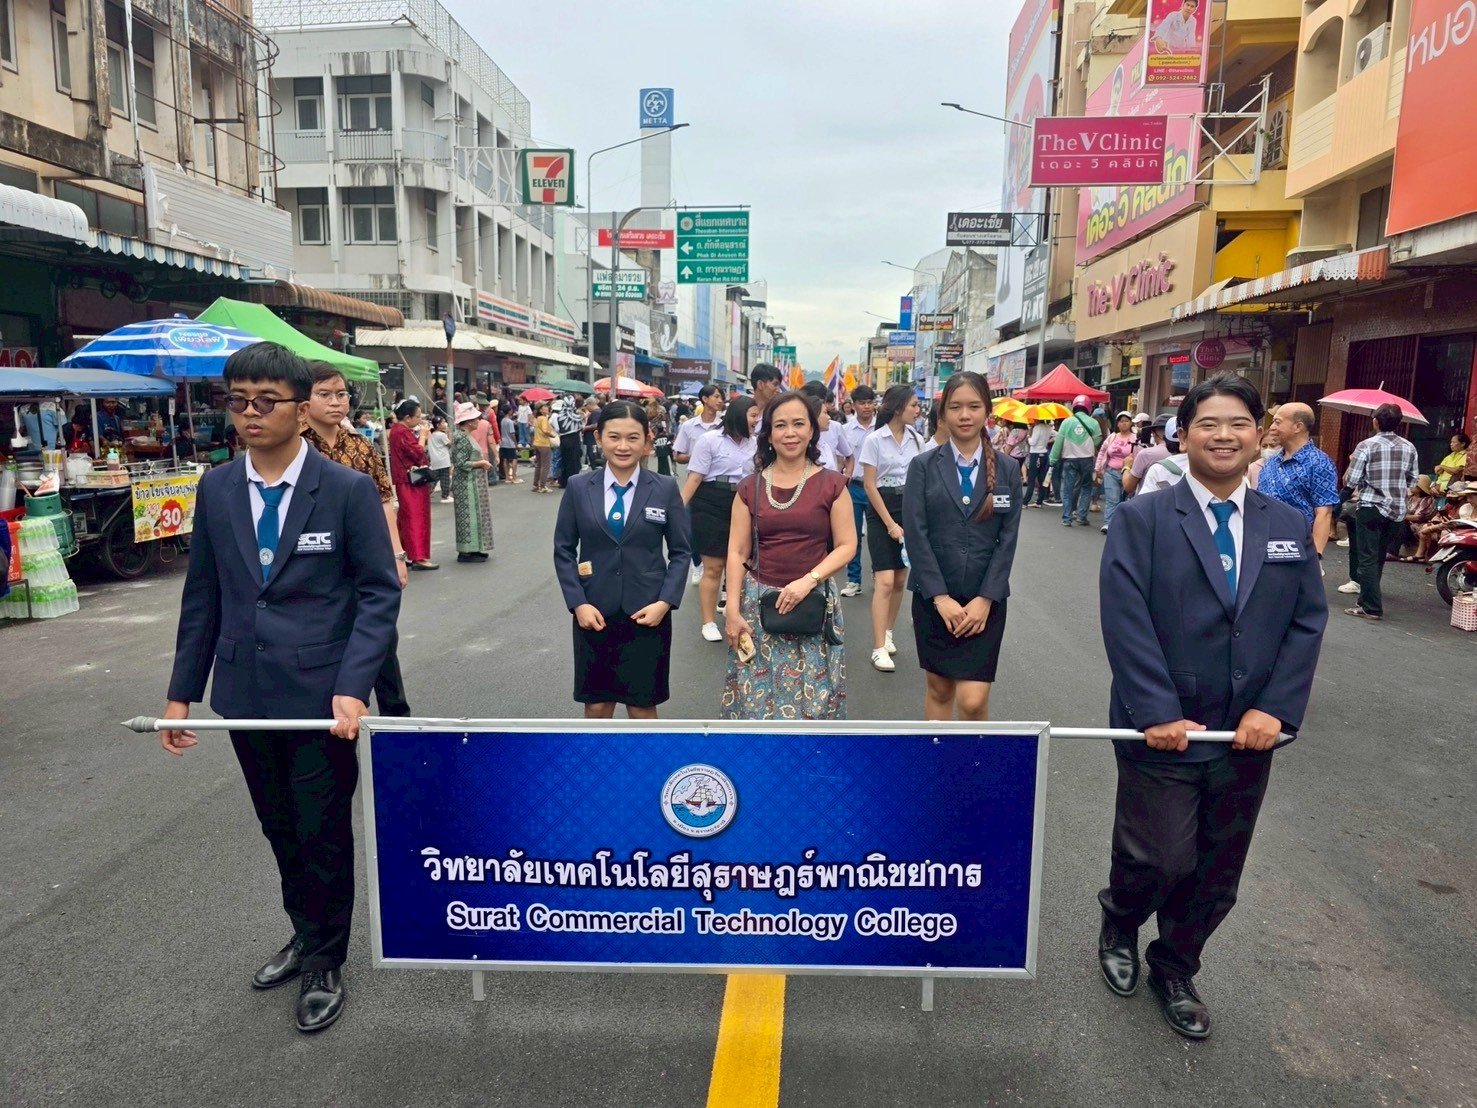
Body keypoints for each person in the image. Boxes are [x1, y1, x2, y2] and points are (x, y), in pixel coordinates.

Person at [159, 342, 401, 1034]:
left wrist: (354, 686)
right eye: (237, 400)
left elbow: (378, 595)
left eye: (266, 400)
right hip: (245, 696)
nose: (249, 413)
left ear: (301, 409)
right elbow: (203, 595)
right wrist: (182, 693)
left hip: (324, 701)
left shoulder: (346, 490)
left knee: (321, 829)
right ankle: (304, 931)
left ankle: (325, 959)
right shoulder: (217, 487)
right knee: (278, 826)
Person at [1097, 372, 1327, 1041]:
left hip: (1245, 734)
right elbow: (1124, 618)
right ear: (1182, 435)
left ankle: (1175, 965)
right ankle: (1119, 918)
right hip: (1162, 729)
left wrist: (1275, 711)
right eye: (1207, 424)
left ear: (1259, 435)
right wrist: (1154, 711)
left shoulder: (1284, 526)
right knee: (1160, 857)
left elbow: (1305, 623)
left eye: (1237, 424)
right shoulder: (1141, 519)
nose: (1222, 436)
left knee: (1216, 871)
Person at [722, 391, 856, 720]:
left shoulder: (833, 485)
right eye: (780, 425)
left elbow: (847, 546)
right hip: (758, 604)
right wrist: (733, 611)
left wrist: (807, 581)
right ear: (768, 433)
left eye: (799, 424)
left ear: (813, 430)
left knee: (815, 705)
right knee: (756, 701)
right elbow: (737, 551)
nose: (790, 433)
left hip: (814, 604)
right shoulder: (749, 487)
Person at [554, 401, 691, 719]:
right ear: (599, 438)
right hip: (594, 612)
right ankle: (597, 769)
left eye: (633, 438)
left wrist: (665, 603)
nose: (623, 446)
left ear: (647, 441)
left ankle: (647, 769)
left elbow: (682, 553)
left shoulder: (665, 488)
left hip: (647, 614)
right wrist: (578, 604)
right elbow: (563, 550)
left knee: (642, 706)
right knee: (597, 705)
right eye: (614, 437)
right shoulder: (578, 487)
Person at [902, 372, 1021, 722]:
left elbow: (1007, 540)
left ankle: (972, 771)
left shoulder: (1009, 468)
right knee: (939, 689)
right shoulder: (922, 466)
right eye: (955, 407)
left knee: (972, 700)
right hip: (934, 599)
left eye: (973, 406)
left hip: (985, 601)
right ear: (943, 414)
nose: (964, 415)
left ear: (987, 412)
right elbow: (916, 534)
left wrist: (986, 599)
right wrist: (940, 598)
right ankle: (936, 768)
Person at [300, 362, 411, 717]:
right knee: (328, 642)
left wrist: (396, 555)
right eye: (325, 394)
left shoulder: (361, 446)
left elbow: (384, 500)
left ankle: (397, 720)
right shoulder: (294, 446)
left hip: (365, 558)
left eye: (341, 394)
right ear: (305, 400)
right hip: (314, 562)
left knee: (382, 640)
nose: (336, 402)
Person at [859, 385, 925, 673]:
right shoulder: (874, 440)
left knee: (900, 579)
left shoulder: (917, 439)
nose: (917, 409)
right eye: (913, 405)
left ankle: (888, 633)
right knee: (884, 580)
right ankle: (877, 648)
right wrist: (890, 524)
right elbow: (869, 485)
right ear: (898, 407)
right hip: (881, 508)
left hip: (909, 505)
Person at [681, 397, 758, 642]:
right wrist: (677, 510)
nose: (757, 421)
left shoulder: (756, 444)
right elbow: (695, 478)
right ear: (738, 415)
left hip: (744, 503)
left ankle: (737, 613)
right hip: (710, 502)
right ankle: (708, 622)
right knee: (713, 567)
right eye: (753, 416)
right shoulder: (709, 440)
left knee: (742, 566)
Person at [1342, 404, 1419, 621]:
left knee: (1366, 556)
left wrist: (1351, 468)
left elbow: (1351, 480)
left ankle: (1371, 607)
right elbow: (1413, 480)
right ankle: (1366, 600)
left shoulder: (1366, 445)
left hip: (1371, 506)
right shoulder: (1409, 447)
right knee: (1378, 557)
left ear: (1375, 421)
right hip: (1397, 511)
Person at [1256, 402, 1340, 569]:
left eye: (1278, 422)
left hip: (1296, 549)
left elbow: (1323, 513)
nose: (1272, 427)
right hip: (1261, 545)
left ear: (1298, 427)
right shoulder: (1272, 462)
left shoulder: (1319, 463)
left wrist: (1315, 557)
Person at [838, 385, 879, 596]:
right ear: (853, 405)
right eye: (862, 403)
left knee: (877, 535)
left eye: (870, 402)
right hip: (853, 488)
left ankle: (878, 574)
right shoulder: (845, 430)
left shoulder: (882, 427)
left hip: (877, 488)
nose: (867, 407)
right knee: (852, 535)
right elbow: (841, 457)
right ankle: (854, 580)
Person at [388, 399, 437, 571]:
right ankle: (418, 556)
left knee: (406, 518)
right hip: (411, 481)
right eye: (417, 417)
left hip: (406, 479)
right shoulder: (402, 432)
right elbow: (417, 452)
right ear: (407, 417)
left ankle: (407, 553)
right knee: (417, 518)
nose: (420, 420)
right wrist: (423, 436)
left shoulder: (398, 431)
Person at [450, 402, 494, 562]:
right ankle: (466, 551)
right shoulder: (461, 437)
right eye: (475, 418)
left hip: (473, 482)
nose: (478, 421)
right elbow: (460, 463)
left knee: (476, 515)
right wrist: (480, 464)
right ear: (468, 422)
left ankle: (475, 548)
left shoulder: (466, 436)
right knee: (468, 516)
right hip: (465, 483)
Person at [1050, 395, 1104, 526]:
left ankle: (1067, 518)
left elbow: (1059, 443)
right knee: (1086, 488)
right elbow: (1097, 440)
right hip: (1086, 460)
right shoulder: (1093, 422)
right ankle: (1082, 517)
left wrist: (1053, 459)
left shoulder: (1066, 422)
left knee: (1068, 489)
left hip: (1069, 460)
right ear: (1089, 408)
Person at [1095, 411, 1138, 534]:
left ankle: (1123, 525)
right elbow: (1103, 451)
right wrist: (1098, 468)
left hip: (1129, 473)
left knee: (1126, 500)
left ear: (1131, 423)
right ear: (1117, 424)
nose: (1124, 423)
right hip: (1111, 471)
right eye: (1121, 421)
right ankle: (1108, 524)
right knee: (1112, 499)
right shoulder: (1112, 437)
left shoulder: (1135, 438)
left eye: (1126, 421)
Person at [673, 384, 724, 464]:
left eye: (722, 398)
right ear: (705, 399)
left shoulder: (724, 427)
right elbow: (678, 456)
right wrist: (695, 456)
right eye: (716, 397)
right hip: (694, 475)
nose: (720, 401)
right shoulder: (688, 425)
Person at [1124, 413, 1171, 496]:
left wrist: (1126, 467)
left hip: (1147, 503)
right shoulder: (1188, 454)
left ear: (1154, 433)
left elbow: (1128, 487)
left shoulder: (1146, 454)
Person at [1137, 418, 1187, 493]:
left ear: (1165, 439)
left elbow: (1143, 501)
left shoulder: (1158, 469)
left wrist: (1126, 467)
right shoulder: (1204, 465)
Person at [1415, 432, 1470, 498]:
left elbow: (1456, 471)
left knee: (1434, 489)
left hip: (1452, 483)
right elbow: (1439, 471)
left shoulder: (1466, 455)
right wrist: (1438, 469)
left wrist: (1443, 467)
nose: (1451, 444)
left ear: (1462, 444)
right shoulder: (1449, 456)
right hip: (1438, 482)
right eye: (1451, 442)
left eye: (1453, 442)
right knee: (1418, 482)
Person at [553, 396, 584, 488]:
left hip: (563, 439)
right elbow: (581, 426)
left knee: (564, 461)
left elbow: (558, 428)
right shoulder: (576, 415)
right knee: (574, 461)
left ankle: (563, 481)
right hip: (574, 439)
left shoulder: (560, 414)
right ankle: (573, 481)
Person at [1024, 417, 1055, 506]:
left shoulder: (1037, 428)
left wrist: (1029, 437)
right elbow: (1057, 435)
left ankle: (1025, 501)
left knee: (1032, 479)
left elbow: (1032, 442)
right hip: (1044, 454)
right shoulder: (1048, 427)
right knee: (1042, 478)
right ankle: (1039, 501)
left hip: (1035, 454)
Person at [426, 415, 452, 503]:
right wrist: (449, 433)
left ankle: (426, 493)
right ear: (438, 425)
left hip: (435, 460)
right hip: (443, 460)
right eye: (443, 422)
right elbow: (450, 444)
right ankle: (445, 496)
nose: (445, 424)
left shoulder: (432, 435)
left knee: (434, 478)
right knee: (445, 479)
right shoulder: (442, 435)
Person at [531, 402, 556, 493]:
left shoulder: (537, 418)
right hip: (544, 443)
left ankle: (535, 485)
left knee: (539, 465)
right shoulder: (543, 418)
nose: (547, 408)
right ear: (541, 409)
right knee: (545, 466)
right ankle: (542, 486)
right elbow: (545, 430)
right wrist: (553, 435)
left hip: (537, 443)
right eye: (545, 406)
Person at [649, 400, 674, 476]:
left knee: (655, 440)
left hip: (653, 428)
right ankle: (666, 470)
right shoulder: (662, 409)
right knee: (661, 439)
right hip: (660, 427)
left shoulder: (649, 410)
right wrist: (665, 428)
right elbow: (664, 419)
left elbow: (648, 420)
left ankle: (655, 449)